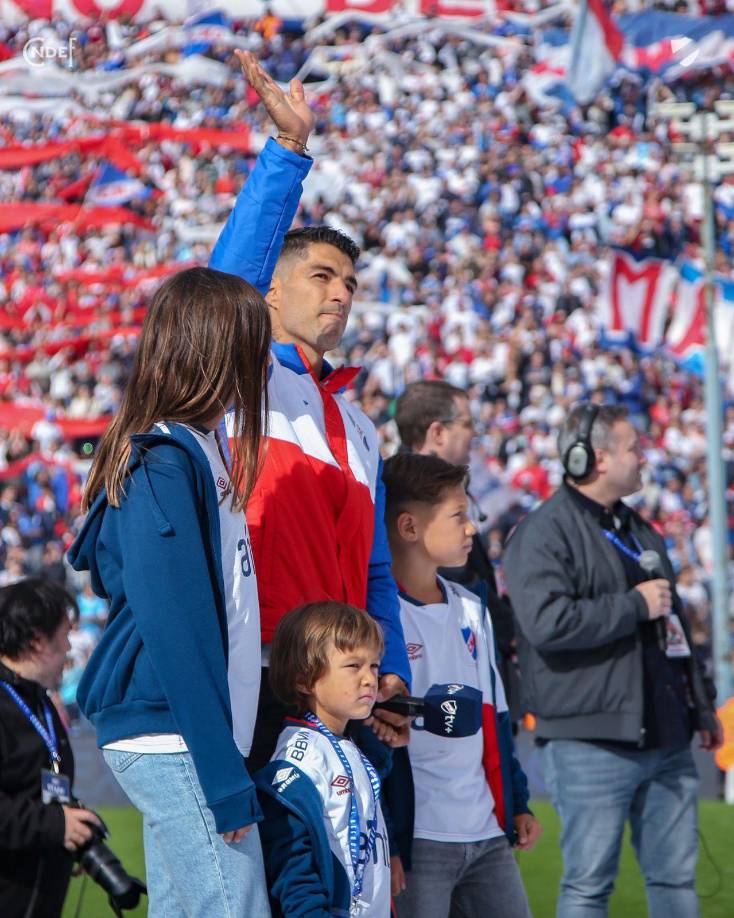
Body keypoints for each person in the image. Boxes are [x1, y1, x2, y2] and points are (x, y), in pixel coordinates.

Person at [209, 52, 410, 768]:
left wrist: (390, 672)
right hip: (252, 668)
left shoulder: (358, 425)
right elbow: (221, 287)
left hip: (336, 684)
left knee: (336, 877)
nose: (342, 294)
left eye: (351, 283)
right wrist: (288, 152)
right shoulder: (241, 378)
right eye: (321, 276)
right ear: (268, 292)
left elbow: (376, 571)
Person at [67, 268, 272, 917]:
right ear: (214, 350)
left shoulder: (194, 447)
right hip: (172, 731)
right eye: (252, 343)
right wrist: (220, 769)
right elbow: (175, 629)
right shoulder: (160, 460)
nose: (263, 361)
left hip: (181, 729)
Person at [503, 402, 722, 918]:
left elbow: (673, 628)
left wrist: (702, 705)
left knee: (675, 882)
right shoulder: (542, 532)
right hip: (589, 740)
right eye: (633, 448)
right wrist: (633, 605)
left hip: (666, 734)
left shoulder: (639, 530)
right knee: (588, 886)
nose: (644, 457)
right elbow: (546, 624)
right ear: (595, 458)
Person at [381, 452, 540, 918]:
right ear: (409, 528)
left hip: (487, 833)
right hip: (419, 840)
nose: (472, 528)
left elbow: (497, 716)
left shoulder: (473, 607)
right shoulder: (378, 618)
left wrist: (518, 801)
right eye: (459, 516)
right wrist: (390, 836)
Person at [394, 380, 523, 722]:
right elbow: (460, 579)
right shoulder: (401, 492)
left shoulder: (441, 488)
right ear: (437, 432)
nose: (475, 433)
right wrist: (512, 630)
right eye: (467, 423)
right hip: (439, 692)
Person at [256, 601, 392, 917]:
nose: (370, 679)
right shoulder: (297, 763)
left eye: (374, 665)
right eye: (353, 666)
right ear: (304, 680)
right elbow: (294, 872)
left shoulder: (349, 746)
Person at [0, 578, 101, 918]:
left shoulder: (40, 701)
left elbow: (33, 788)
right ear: (37, 641)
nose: (70, 647)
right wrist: (56, 826)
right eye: (64, 636)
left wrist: (71, 825)